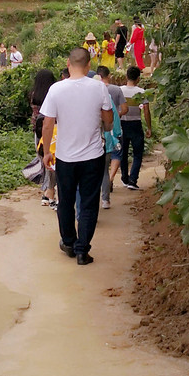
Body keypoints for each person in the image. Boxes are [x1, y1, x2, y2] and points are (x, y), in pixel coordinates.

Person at [39, 48, 114, 266]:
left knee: (66, 201)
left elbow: (47, 123)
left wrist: (46, 153)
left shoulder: (56, 89)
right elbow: (108, 119)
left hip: (65, 158)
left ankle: (69, 243)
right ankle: (83, 251)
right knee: (89, 204)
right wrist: (104, 123)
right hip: (93, 156)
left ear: (68, 64)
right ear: (89, 65)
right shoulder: (99, 87)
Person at [117, 65, 153, 190]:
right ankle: (133, 179)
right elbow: (147, 112)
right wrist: (149, 127)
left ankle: (124, 178)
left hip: (122, 124)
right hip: (136, 124)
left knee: (123, 152)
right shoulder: (142, 92)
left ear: (126, 76)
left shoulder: (119, 90)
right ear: (138, 78)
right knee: (138, 153)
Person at [97, 66, 127, 208]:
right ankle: (105, 200)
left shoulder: (82, 97)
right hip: (106, 140)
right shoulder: (108, 97)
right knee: (103, 171)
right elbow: (113, 118)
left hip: (90, 142)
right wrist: (115, 134)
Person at [29, 68, 57, 209]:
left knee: (43, 159)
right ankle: (48, 191)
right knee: (52, 161)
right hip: (52, 131)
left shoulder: (33, 94)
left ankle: (47, 190)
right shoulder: (53, 94)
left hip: (37, 131)